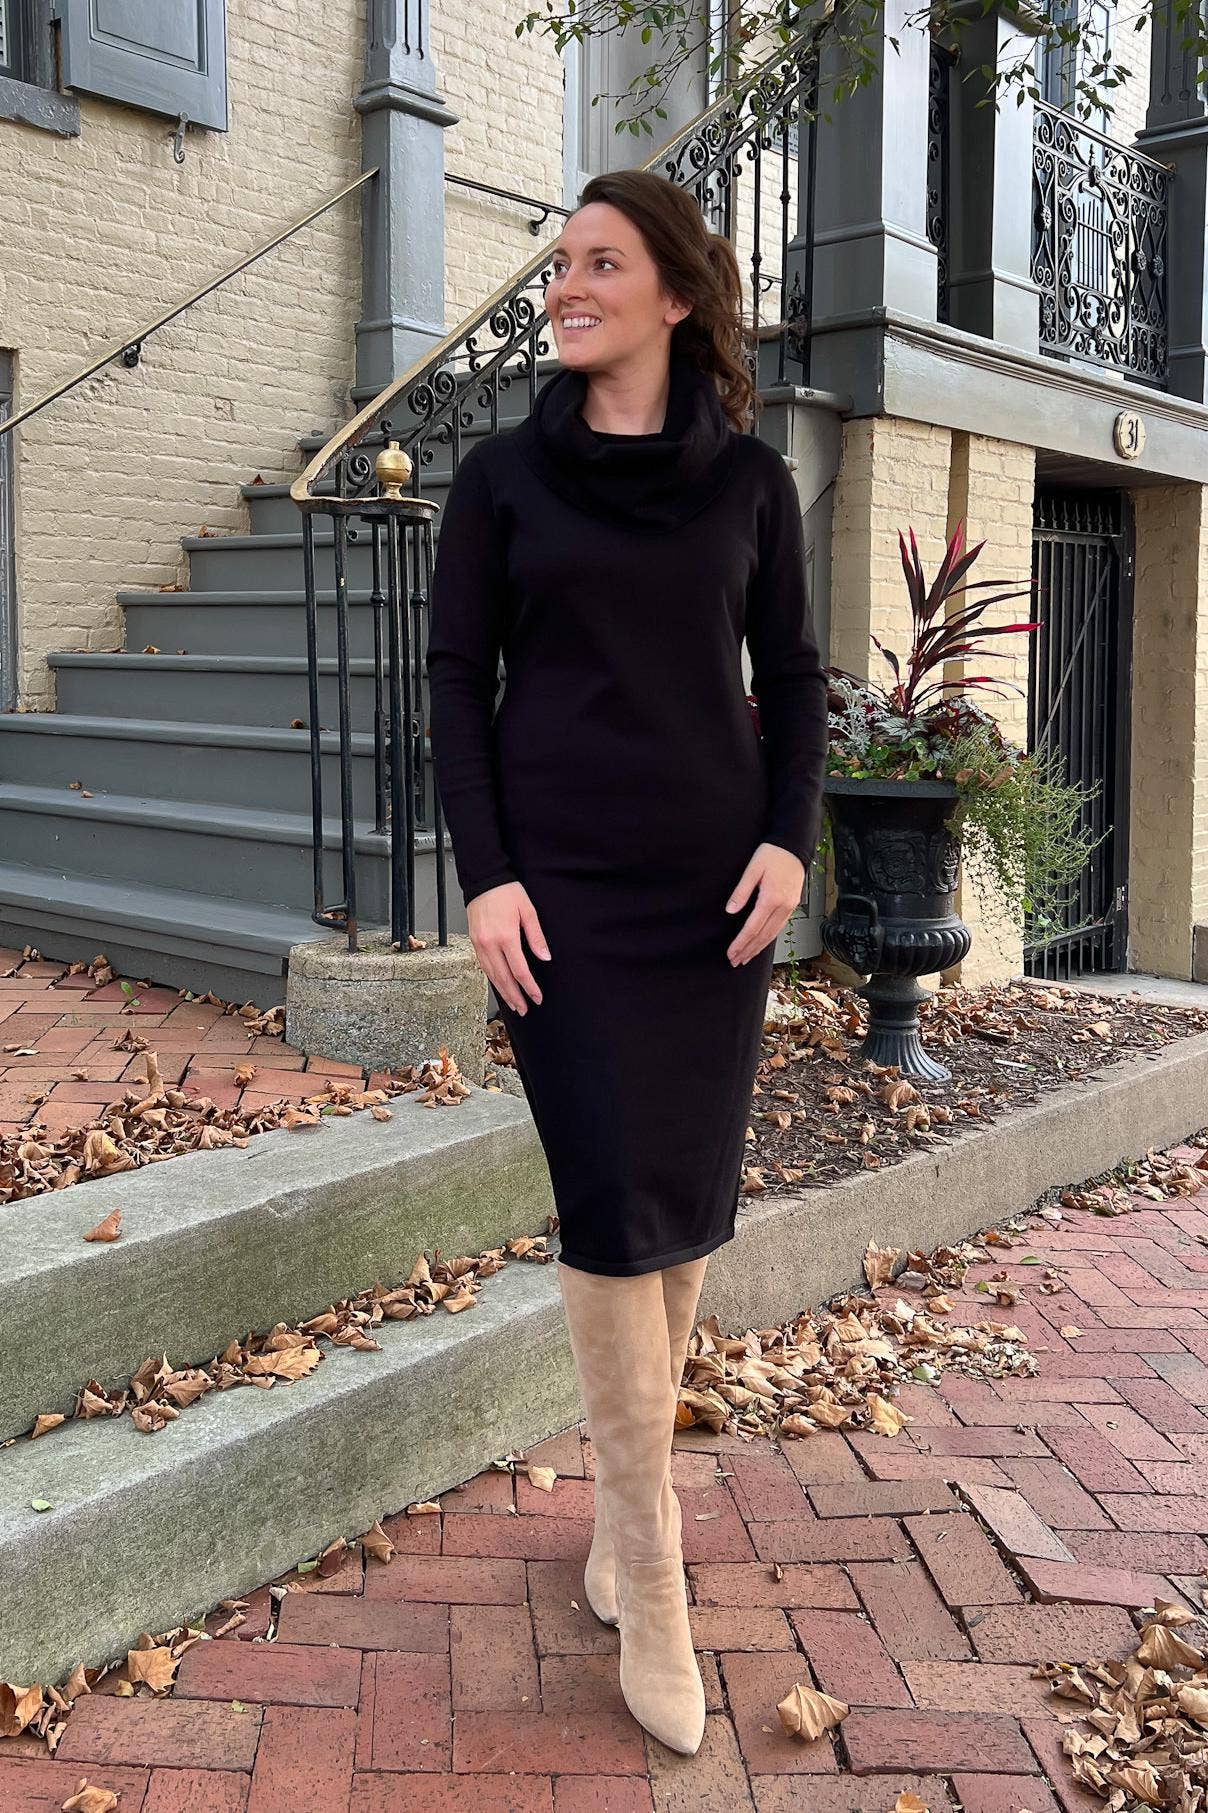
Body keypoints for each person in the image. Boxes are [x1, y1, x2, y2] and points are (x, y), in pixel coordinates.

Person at [426, 167, 828, 1757]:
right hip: (565, 904)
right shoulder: (500, 480)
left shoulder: (753, 487)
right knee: (608, 1195)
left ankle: (618, 1516)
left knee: (681, 1202)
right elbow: (456, 683)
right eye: (559, 263)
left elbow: (794, 676)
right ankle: (652, 1567)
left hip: (713, 900)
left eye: (601, 262)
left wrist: (790, 841)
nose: (567, 287)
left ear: (675, 293)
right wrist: (486, 875)